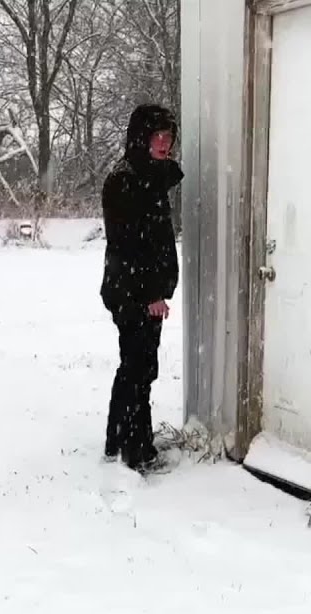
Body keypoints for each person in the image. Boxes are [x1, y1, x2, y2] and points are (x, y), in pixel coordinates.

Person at [100, 104, 184, 473]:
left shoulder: (147, 175)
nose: (165, 144)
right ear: (142, 138)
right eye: (158, 137)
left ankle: (118, 439)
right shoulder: (126, 181)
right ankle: (137, 450)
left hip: (136, 288)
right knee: (140, 368)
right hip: (132, 291)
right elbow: (129, 243)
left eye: (169, 137)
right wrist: (152, 294)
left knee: (133, 366)